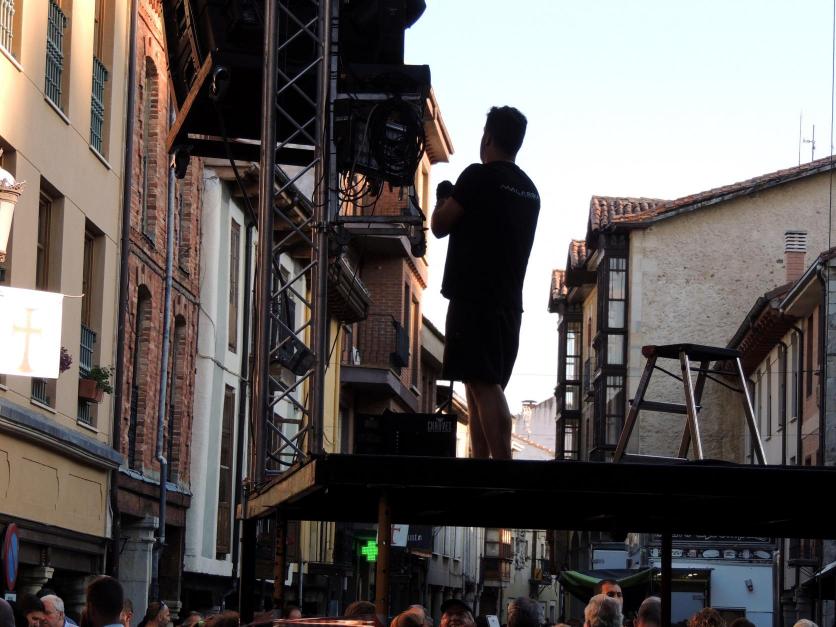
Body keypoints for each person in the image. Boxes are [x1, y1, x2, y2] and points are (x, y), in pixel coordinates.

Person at [431, 105, 540, 460]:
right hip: (509, 305)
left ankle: (502, 470)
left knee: (483, 384)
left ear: (488, 137)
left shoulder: (477, 177)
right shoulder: (530, 192)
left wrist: (443, 197)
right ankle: (480, 470)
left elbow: (440, 225)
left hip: (473, 300)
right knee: (477, 383)